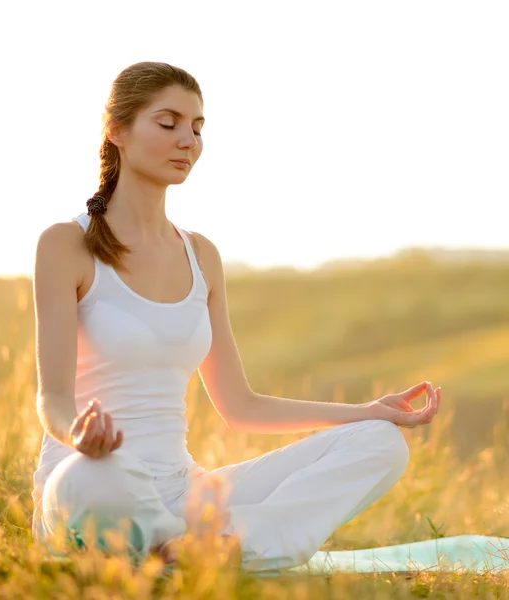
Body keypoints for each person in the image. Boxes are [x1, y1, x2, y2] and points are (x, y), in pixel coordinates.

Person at [30, 61, 441, 573]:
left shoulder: (201, 255)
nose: (189, 141)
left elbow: (241, 406)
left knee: (381, 445)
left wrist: (368, 412)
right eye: (169, 123)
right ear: (116, 130)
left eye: (198, 128)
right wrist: (78, 436)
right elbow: (52, 399)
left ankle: (195, 552)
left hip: (183, 493)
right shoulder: (66, 244)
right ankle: (198, 550)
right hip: (91, 481)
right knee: (92, 479)